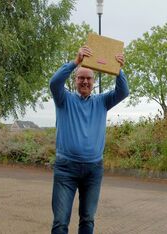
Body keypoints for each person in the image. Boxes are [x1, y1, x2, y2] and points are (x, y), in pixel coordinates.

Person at [49, 46, 129, 234]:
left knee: (88, 220)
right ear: (75, 80)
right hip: (66, 168)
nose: (85, 81)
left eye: (88, 78)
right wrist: (75, 62)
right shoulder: (64, 99)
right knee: (60, 222)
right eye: (81, 78)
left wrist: (118, 69)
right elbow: (54, 82)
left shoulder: (102, 101)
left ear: (93, 82)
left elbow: (123, 91)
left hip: (93, 170)